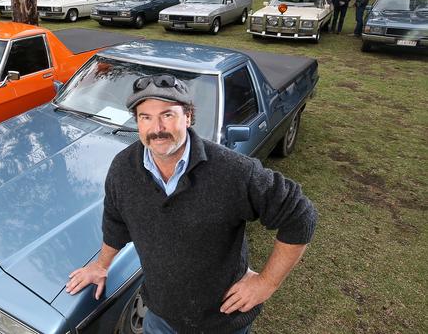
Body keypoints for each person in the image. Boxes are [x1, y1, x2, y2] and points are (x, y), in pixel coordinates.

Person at [65, 75, 318, 333]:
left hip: (223, 322)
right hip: (160, 318)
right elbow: (115, 223)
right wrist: (100, 266)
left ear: (188, 116)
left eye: (167, 115)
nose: (157, 128)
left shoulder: (233, 171)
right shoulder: (123, 169)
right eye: (145, 117)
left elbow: (300, 216)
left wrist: (266, 283)